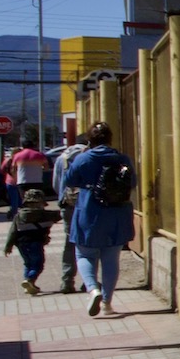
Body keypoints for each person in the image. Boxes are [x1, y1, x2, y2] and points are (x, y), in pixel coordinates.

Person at [57, 124, 137, 317]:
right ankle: (107, 304)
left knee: (84, 254)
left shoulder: (84, 158)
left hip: (89, 213)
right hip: (117, 214)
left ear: (90, 140)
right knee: (111, 259)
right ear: (110, 139)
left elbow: (69, 180)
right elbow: (132, 182)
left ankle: (93, 289)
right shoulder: (122, 158)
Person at [1, 185, 60, 295]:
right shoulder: (46, 215)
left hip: (21, 243)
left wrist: (8, 246)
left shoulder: (19, 216)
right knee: (38, 264)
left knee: (28, 264)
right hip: (35, 243)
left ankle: (28, 284)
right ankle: (29, 280)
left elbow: (12, 232)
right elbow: (60, 215)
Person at [49, 134, 89, 294]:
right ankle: (89, 280)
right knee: (89, 242)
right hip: (87, 204)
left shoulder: (62, 158)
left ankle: (67, 280)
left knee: (69, 242)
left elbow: (56, 184)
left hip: (68, 204)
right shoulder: (88, 156)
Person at [1, 140, 51, 211]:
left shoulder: (17, 156)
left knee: (24, 200)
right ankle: (38, 214)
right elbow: (46, 168)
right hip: (37, 181)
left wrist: (15, 179)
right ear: (33, 146)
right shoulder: (40, 155)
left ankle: (27, 215)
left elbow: (13, 169)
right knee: (37, 199)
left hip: (22, 181)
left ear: (23, 147)